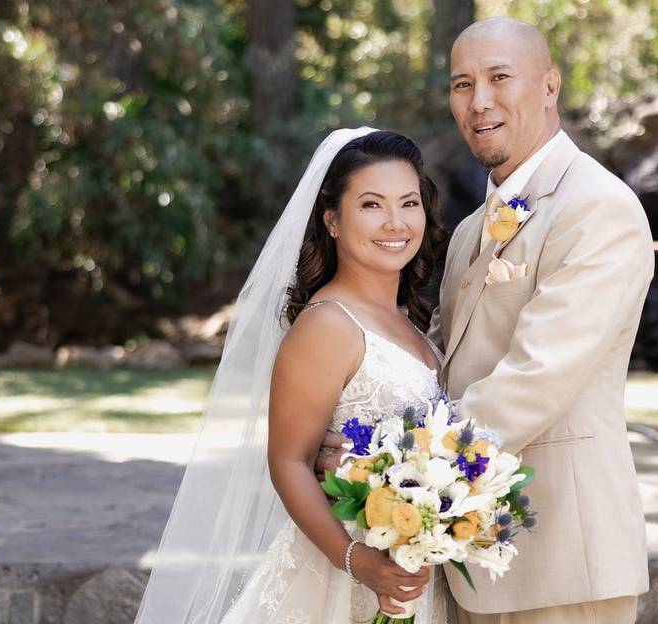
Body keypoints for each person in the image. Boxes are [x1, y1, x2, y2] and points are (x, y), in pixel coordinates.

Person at [134, 128, 450, 623]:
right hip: (343, 579)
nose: (395, 222)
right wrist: (357, 561)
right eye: (371, 205)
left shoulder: (409, 323)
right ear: (332, 220)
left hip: (411, 570)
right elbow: (289, 462)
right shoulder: (328, 324)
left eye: (408, 203)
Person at [434, 17, 654, 624]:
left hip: (564, 560)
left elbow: (537, 376)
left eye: (500, 78)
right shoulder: (468, 232)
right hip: (473, 557)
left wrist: (409, 474)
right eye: (462, 84)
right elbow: (442, 361)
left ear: (550, 87)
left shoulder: (597, 207)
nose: (480, 102)